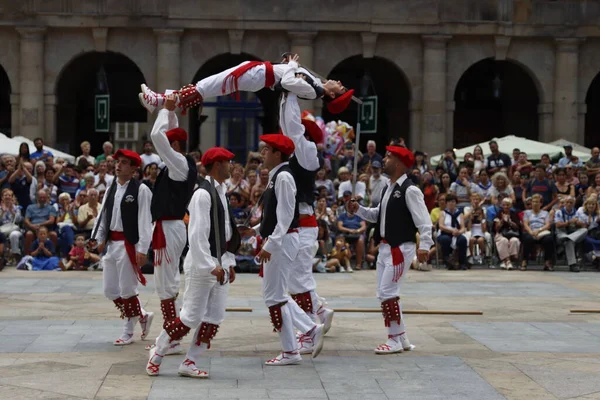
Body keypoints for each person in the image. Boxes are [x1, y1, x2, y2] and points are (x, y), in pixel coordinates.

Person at [146, 147, 240, 378]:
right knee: (189, 317)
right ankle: (157, 353)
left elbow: (224, 232)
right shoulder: (203, 194)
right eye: (228, 162)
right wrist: (210, 265)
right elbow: (197, 236)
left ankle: (190, 362)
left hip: (219, 262)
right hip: (202, 265)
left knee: (214, 318)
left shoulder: (221, 191)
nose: (231, 166)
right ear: (217, 164)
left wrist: (229, 261)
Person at [347, 145, 431, 354]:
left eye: (389, 157)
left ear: (399, 164)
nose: (384, 160)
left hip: (400, 247)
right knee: (385, 292)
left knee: (387, 292)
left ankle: (393, 339)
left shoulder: (410, 190)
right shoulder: (388, 187)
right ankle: (401, 337)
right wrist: (359, 210)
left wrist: (426, 245)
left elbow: (424, 221)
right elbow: (378, 215)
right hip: (385, 247)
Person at [254, 133, 325, 366]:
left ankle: (309, 330)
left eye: (266, 150)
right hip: (281, 239)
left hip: (283, 240)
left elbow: (285, 216)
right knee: (274, 296)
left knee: (275, 296)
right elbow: (276, 214)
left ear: (277, 153)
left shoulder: (283, 177)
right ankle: (293, 348)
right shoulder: (278, 176)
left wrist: (270, 243)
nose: (262, 154)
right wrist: (256, 230)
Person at [279, 93, 334, 347]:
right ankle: (320, 312)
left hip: (303, 224)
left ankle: (310, 330)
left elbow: (290, 124)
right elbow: (286, 123)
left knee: (298, 280)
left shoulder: (307, 149)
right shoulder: (299, 151)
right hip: (300, 223)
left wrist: (290, 91)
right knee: (297, 278)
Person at [145, 94, 199, 355]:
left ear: (174, 144)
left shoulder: (179, 163)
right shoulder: (177, 163)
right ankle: (171, 333)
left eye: (170, 142)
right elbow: (165, 135)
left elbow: (157, 136)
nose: (164, 145)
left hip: (171, 227)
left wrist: (164, 110)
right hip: (168, 226)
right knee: (164, 282)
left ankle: (173, 336)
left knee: (166, 283)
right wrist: (172, 109)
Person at [139, 53, 352, 116]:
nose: (339, 82)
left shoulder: (314, 90)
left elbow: (287, 81)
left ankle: (158, 101)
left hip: (259, 76)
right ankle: (158, 100)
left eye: (340, 88)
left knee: (207, 86)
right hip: (260, 73)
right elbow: (290, 78)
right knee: (207, 84)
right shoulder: (315, 85)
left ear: (333, 96)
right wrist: (290, 64)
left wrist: (292, 66)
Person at [89, 149, 154, 346]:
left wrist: (142, 249)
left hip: (129, 244)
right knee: (110, 289)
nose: (118, 165)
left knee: (128, 289)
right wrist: (98, 238)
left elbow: (145, 221)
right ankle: (141, 315)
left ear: (134, 168)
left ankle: (128, 330)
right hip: (112, 243)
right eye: (117, 162)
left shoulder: (141, 190)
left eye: (124, 162)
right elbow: (104, 216)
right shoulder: (111, 188)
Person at [554, 196, 587, 273]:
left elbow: (584, 226)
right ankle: (573, 265)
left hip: (573, 233)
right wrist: (569, 222)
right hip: (562, 233)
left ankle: (569, 238)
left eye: (571, 202)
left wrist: (579, 223)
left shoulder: (577, 212)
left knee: (584, 231)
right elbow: (557, 225)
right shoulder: (559, 212)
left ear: (574, 204)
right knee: (570, 241)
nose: (569, 204)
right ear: (565, 203)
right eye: (567, 202)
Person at [521, 194, 553, 271]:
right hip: (531, 232)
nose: (535, 203)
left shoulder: (545, 213)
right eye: (533, 202)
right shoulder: (527, 213)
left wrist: (539, 230)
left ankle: (547, 262)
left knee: (549, 239)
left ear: (541, 204)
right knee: (527, 239)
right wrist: (531, 232)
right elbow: (525, 224)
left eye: (537, 202)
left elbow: (548, 225)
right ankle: (524, 261)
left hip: (542, 232)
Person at [437, 194, 468, 270]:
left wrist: (459, 232)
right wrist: (451, 230)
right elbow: (441, 226)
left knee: (463, 240)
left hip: (456, 233)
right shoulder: (443, 213)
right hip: (445, 232)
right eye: (449, 202)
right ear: (446, 203)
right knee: (445, 240)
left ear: (456, 203)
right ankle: (448, 262)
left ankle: (462, 263)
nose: (451, 203)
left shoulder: (460, 213)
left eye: (453, 201)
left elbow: (463, 228)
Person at [24, 190, 57, 255]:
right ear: (37, 197)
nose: (42, 199)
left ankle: (53, 255)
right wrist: (31, 225)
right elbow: (26, 220)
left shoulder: (51, 208)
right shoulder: (30, 207)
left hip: (46, 229)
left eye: (44, 197)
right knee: (29, 234)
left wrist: (40, 225)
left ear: (47, 198)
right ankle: (27, 256)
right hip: (33, 228)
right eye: (40, 197)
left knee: (54, 234)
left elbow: (51, 220)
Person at [493, 198, 521, 270]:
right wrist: (502, 220)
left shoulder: (514, 214)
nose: (506, 207)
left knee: (514, 240)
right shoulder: (499, 214)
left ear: (511, 206)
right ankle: (508, 261)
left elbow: (517, 227)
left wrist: (510, 222)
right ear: (502, 206)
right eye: (504, 205)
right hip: (501, 234)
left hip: (512, 234)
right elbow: (496, 228)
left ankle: (505, 261)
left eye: (508, 205)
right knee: (503, 241)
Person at [0, 188, 23, 263]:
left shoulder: (16, 208)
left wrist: (12, 211)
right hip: (2, 229)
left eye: (9, 195)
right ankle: (2, 257)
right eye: (5, 195)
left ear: (12, 197)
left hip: (14, 229)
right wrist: (2, 212)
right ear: (2, 197)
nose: (7, 197)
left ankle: (15, 255)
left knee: (13, 235)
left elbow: (19, 220)